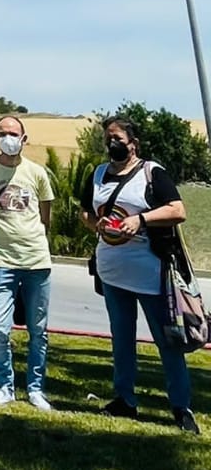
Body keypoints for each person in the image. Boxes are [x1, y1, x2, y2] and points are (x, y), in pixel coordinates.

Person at [80, 114, 198, 433]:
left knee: (167, 341)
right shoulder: (99, 174)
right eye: (108, 137)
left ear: (134, 143)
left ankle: (181, 407)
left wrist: (141, 220)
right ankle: (125, 400)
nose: (112, 143)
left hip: (150, 272)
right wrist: (97, 224)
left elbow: (177, 210)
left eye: (118, 137)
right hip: (112, 270)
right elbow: (86, 213)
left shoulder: (151, 172)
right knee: (121, 337)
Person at [0, 114, 54, 410]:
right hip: (1, 263)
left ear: (24, 139)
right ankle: (5, 386)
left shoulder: (37, 173)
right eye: (2, 133)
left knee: (38, 329)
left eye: (13, 133)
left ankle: (35, 389)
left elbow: (45, 217)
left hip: (36, 261)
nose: (8, 138)